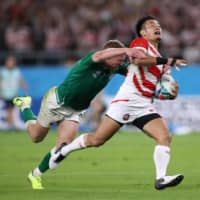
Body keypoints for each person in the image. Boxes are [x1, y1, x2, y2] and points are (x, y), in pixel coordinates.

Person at [50, 16, 187, 190]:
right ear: (143, 33)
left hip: (144, 105)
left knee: (165, 136)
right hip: (126, 102)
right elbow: (137, 60)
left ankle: (161, 179)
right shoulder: (140, 44)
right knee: (97, 140)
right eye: (151, 25)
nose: (156, 27)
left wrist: (170, 93)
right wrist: (167, 61)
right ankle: (63, 151)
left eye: (158, 25)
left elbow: (154, 88)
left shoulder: (160, 59)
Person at [13, 40, 145, 189]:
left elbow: (139, 71)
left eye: (123, 59)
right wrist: (127, 50)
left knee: (64, 146)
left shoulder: (115, 67)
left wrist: (162, 66)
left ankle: (35, 174)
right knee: (36, 137)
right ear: (108, 55)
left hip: (76, 110)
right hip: (56, 103)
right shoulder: (91, 60)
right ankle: (25, 106)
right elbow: (100, 54)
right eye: (119, 58)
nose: (121, 62)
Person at [0, 55, 28, 130]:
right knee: (9, 110)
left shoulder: (16, 71)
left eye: (12, 62)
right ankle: (10, 125)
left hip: (14, 94)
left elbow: (21, 81)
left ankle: (10, 124)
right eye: (9, 62)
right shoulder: (3, 71)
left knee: (12, 110)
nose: (10, 63)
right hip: (6, 94)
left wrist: (25, 89)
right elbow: (1, 82)